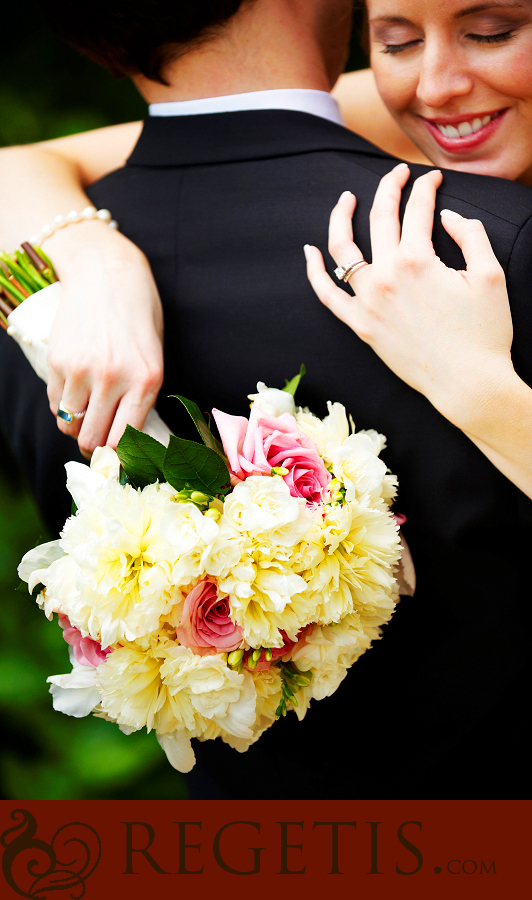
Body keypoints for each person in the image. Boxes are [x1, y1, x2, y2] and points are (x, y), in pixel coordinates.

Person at [1, 0, 531, 799]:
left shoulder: (37, 305)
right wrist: (93, 256)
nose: (438, 82)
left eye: (492, 32)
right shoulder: (491, 247)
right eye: (393, 39)